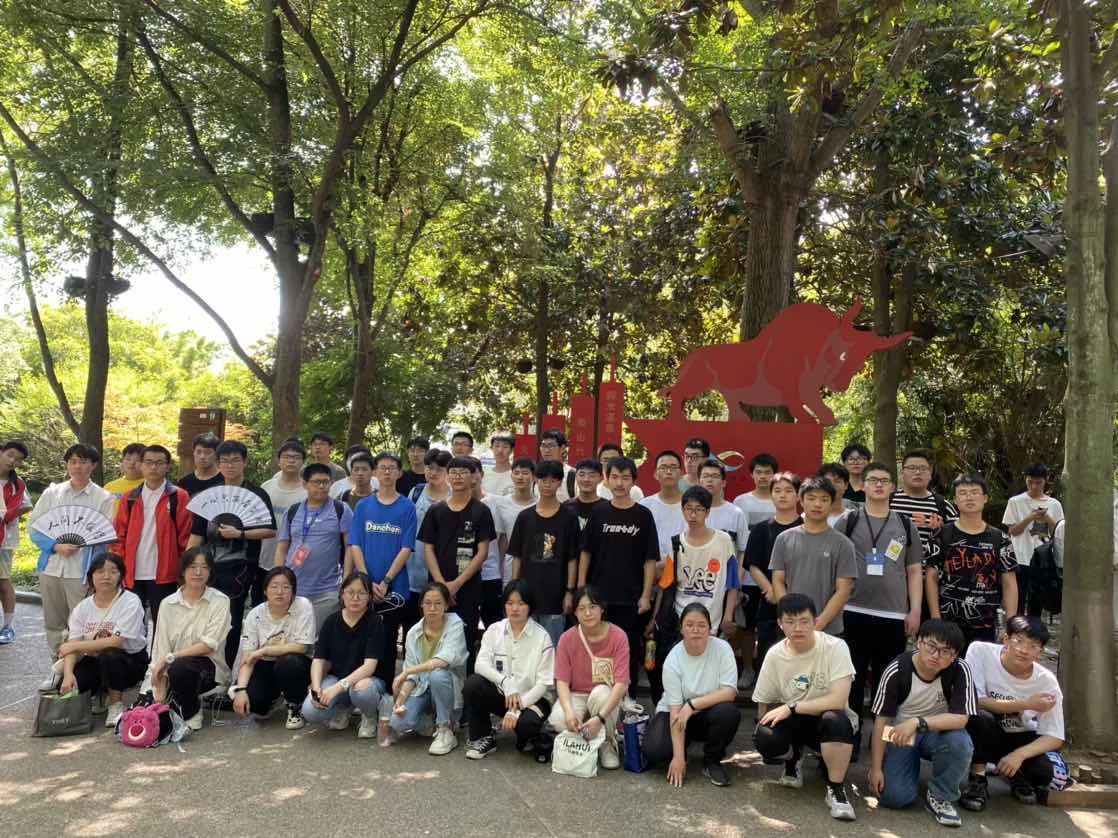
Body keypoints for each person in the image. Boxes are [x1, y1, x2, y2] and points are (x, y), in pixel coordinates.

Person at [836, 462, 923, 754]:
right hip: (852, 610)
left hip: (893, 614)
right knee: (852, 679)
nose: (878, 485)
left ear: (892, 487)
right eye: (872, 480)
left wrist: (914, 610)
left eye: (884, 480)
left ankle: (882, 745)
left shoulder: (905, 525)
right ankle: (849, 740)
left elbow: (914, 570)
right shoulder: (848, 520)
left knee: (887, 683)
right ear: (863, 485)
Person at [752, 594, 858, 821]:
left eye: (804, 621)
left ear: (815, 621)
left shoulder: (835, 647)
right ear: (780, 623)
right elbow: (764, 701)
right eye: (790, 621)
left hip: (828, 720)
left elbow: (838, 700)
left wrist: (791, 707)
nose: (797, 628)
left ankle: (836, 789)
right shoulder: (775, 654)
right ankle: (793, 758)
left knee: (835, 721)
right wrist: (765, 741)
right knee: (765, 735)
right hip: (794, 721)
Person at [869, 619, 976, 827]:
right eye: (931, 646)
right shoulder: (897, 669)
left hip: (937, 733)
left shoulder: (960, 670)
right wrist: (876, 768)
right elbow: (881, 721)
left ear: (955, 655)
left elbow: (961, 718)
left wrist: (917, 722)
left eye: (945, 651)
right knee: (895, 798)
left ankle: (941, 796)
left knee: (960, 742)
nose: (936, 656)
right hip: (900, 735)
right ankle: (895, 767)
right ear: (918, 642)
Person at [29, 443, 116, 689]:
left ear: (93, 465)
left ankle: (79, 673)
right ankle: (56, 670)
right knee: (53, 621)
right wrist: (56, 546)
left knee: (79, 623)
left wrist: (83, 543)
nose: (78, 466)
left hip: (81, 569)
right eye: (73, 461)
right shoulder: (52, 493)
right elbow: (34, 527)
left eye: (84, 461)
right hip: (51, 566)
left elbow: (105, 534)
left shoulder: (103, 498)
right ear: (67, 464)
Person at [187, 440, 277, 667]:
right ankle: (203, 666)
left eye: (235, 460)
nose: (230, 465)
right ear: (218, 464)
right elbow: (197, 534)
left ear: (244, 462)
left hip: (241, 566)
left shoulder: (257, 493)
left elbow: (270, 530)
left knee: (231, 616)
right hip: (208, 565)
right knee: (203, 613)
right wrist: (187, 564)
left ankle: (225, 669)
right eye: (225, 461)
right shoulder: (210, 495)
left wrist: (240, 534)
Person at [961, 616, 1066, 810]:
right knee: (979, 717)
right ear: (1006, 639)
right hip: (985, 730)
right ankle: (978, 778)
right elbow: (975, 701)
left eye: (1033, 646)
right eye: (1018, 641)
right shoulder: (980, 651)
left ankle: (1014, 773)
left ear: (1041, 652)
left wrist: (1019, 755)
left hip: (1018, 736)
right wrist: (1026, 703)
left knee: (1043, 773)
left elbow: (1055, 736)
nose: (1023, 650)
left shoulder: (1047, 681)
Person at [578, 456, 659, 706]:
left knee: (628, 650)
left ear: (633, 481)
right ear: (607, 479)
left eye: (625, 477)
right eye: (614, 477)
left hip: (630, 598)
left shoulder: (643, 515)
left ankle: (628, 699)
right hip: (599, 598)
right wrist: (581, 590)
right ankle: (597, 698)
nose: (620, 483)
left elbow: (650, 559)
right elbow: (585, 553)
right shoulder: (598, 512)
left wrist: (645, 595)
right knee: (597, 648)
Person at [648, 486, 738, 704]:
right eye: (688, 509)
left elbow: (733, 582)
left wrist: (728, 616)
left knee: (708, 672)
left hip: (712, 619)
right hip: (680, 619)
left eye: (698, 509)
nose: (693, 514)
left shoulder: (724, 541)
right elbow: (666, 585)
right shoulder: (676, 543)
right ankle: (669, 710)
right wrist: (655, 619)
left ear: (708, 512)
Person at [642, 603, 741, 787]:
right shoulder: (673, 659)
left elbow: (729, 692)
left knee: (729, 712)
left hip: (707, 712)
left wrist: (692, 705)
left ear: (710, 628)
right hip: (677, 713)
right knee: (655, 751)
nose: (695, 630)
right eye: (689, 625)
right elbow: (675, 711)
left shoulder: (723, 648)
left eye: (702, 625)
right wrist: (679, 758)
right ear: (681, 629)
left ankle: (712, 760)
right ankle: (683, 746)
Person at [462, 579, 555, 760]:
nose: (515, 608)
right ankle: (483, 737)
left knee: (527, 726)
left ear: (530, 606)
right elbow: (480, 665)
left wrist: (517, 708)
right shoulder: (494, 630)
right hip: (504, 695)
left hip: (533, 698)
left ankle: (529, 734)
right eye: (510, 603)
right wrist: (505, 682)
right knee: (473, 685)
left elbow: (543, 684)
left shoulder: (542, 637)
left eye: (521, 603)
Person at [419, 457, 496, 671]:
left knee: (465, 638)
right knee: (434, 636)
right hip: (437, 588)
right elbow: (428, 548)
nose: (458, 476)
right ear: (447, 476)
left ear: (473, 477)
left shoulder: (481, 511)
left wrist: (457, 584)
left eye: (463, 472)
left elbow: (482, 552)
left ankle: (463, 687)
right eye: (453, 472)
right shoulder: (436, 511)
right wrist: (442, 586)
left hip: (468, 588)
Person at [144, 546, 233, 730]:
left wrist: (171, 657)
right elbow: (161, 647)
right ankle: (177, 700)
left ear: (210, 571)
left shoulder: (220, 601)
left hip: (208, 669)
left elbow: (209, 645)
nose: (198, 572)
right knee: (149, 707)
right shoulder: (168, 604)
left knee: (182, 666)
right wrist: (157, 682)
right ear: (183, 570)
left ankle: (192, 710)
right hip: (171, 669)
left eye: (204, 567)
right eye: (192, 567)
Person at [926, 474, 1018, 648]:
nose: (969, 497)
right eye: (963, 493)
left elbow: (1009, 583)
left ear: (985, 498)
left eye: (975, 492)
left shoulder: (1000, 539)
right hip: (948, 621)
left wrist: (1010, 624)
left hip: (986, 623)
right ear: (955, 500)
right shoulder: (941, 535)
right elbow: (931, 577)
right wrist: (935, 618)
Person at [58, 554, 148, 728]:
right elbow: (71, 648)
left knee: (110, 654)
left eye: (113, 571)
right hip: (93, 658)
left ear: (121, 576)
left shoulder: (130, 601)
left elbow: (116, 641)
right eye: (100, 571)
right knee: (73, 684)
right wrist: (68, 675)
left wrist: (74, 645)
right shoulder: (82, 607)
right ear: (91, 576)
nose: (106, 576)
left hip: (129, 661)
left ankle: (115, 704)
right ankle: (99, 695)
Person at [348, 452, 416, 681]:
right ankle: (358, 689)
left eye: (391, 468)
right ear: (375, 472)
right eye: (382, 467)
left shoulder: (407, 507)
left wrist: (386, 581)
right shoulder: (363, 506)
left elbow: (406, 548)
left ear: (399, 473)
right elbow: (355, 544)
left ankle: (386, 690)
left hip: (394, 587)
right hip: (363, 586)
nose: (387, 472)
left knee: (388, 639)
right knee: (360, 638)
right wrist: (366, 581)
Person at [111, 444, 192, 628]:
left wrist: (182, 569)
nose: (153, 467)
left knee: (163, 624)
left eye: (159, 462)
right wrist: (120, 565)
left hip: (165, 573)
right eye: (148, 462)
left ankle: (158, 650)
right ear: (141, 465)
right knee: (131, 624)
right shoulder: (129, 498)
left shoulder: (178, 496)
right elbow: (119, 535)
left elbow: (185, 537)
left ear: (167, 466)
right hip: (132, 572)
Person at [548, 586, 629, 770]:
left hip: (605, 696)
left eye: (593, 607)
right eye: (581, 608)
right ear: (575, 612)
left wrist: (599, 718)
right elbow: (562, 681)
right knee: (559, 719)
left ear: (602, 609)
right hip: (577, 694)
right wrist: (569, 712)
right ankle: (583, 741)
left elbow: (621, 683)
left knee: (602, 694)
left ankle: (607, 742)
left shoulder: (618, 636)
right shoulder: (567, 639)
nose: (587, 613)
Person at [300, 572, 388, 738]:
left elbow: (369, 667)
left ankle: (369, 716)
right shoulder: (331, 621)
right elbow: (319, 659)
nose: (355, 598)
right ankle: (343, 708)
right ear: (342, 594)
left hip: (368, 681)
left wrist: (336, 689)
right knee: (311, 712)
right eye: (350, 592)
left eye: (361, 593)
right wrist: (316, 687)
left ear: (369, 597)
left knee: (362, 690)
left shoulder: (375, 622)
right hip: (337, 679)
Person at [770, 476, 858, 636]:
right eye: (811, 498)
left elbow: (843, 590)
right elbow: (778, 580)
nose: (817, 504)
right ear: (801, 501)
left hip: (829, 631)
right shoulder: (784, 539)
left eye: (824, 499)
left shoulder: (844, 544)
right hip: (792, 629)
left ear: (831, 503)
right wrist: (790, 618)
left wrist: (817, 624)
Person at [390, 582, 469, 755]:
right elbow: (412, 676)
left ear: (446, 605)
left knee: (437, 675)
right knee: (398, 722)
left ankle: (445, 728)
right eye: (428, 603)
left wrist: (408, 671)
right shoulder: (413, 633)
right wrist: (401, 698)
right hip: (422, 686)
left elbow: (444, 659)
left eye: (438, 603)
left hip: (447, 684)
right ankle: (432, 722)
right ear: (421, 605)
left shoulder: (455, 624)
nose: (432, 608)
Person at [275, 462, 353, 634]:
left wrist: (346, 581)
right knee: (291, 638)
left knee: (319, 640)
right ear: (305, 484)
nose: (322, 486)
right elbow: (281, 549)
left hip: (327, 590)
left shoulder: (341, 509)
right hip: (293, 588)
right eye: (317, 482)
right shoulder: (293, 511)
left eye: (326, 482)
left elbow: (350, 547)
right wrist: (277, 580)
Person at [232, 566, 314, 730]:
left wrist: (265, 650)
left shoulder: (303, 606)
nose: (279, 592)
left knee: (288, 663)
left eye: (286, 587)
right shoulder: (255, 615)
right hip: (265, 664)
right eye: (274, 586)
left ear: (293, 591)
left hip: (296, 662)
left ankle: (295, 704)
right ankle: (275, 696)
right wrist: (240, 690)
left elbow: (301, 647)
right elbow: (248, 656)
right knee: (254, 703)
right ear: (265, 590)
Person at [509, 459, 580, 646]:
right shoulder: (525, 517)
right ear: (535, 480)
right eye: (543, 480)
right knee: (524, 646)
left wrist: (569, 592)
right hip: (526, 596)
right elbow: (517, 556)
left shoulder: (569, 517)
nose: (547, 485)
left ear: (559, 483)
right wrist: (514, 588)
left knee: (551, 648)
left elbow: (573, 558)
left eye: (553, 480)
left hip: (555, 596)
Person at [744, 472, 803, 671]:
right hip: (769, 602)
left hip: (801, 601)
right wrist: (770, 590)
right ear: (771, 495)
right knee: (768, 654)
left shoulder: (806, 527)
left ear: (798, 496)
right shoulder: (761, 529)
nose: (782, 495)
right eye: (777, 491)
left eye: (788, 490)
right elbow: (752, 565)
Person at [731, 452, 779, 684]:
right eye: (758, 472)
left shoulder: (781, 499)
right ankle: (748, 669)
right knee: (747, 626)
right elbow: (738, 542)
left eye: (767, 472)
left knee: (774, 626)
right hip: (748, 575)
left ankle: (770, 674)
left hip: (776, 576)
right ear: (751, 475)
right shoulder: (741, 502)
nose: (763, 477)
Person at [1002, 464, 1064, 617]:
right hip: (1020, 558)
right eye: (1030, 482)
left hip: (1043, 560)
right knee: (1018, 602)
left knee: (1036, 604)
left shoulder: (1054, 504)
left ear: (1045, 481)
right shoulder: (1015, 502)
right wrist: (1030, 517)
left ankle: (1034, 630)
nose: (1034, 486)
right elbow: (1012, 531)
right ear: (1026, 480)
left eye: (1038, 482)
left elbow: (1059, 532)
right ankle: (1016, 628)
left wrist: (1047, 517)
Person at [403, 448, 451, 638]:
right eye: (430, 467)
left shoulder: (453, 496)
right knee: (412, 625)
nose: (433, 472)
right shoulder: (416, 492)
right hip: (413, 568)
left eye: (439, 469)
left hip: (441, 569)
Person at [259, 439, 308, 604]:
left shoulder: (308, 491)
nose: (291, 461)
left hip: (296, 562)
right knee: (263, 604)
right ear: (279, 460)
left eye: (296, 457)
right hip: (265, 557)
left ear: (303, 462)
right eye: (287, 457)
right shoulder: (266, 487)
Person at [0, 440, 32, 644]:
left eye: (18, 459)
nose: (13, 461)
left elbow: (28, 505)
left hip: (4, 541)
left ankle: (8, 625)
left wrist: (7, 515)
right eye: (10, 455)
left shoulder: (17, 484)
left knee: (3, 581)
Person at [641, 451, 686, 567]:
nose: (669, 471)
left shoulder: (691, 505)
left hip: (684, 569)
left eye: (673, 467)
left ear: (681, 473)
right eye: (663, 468)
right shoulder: (645, 506)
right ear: (655, 474)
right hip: (651, 569)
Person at [566, 458, 607, 530]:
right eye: (582, 475)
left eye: (592, 476)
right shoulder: (566, 507)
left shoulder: (607, 508)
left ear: (601, 478)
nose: (586, 479)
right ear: (576, 477)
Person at [537, 429, 576, 501]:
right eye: (543, 446)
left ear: (562, 448)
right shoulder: (535, 474)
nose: (546, 450)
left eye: (551, 446)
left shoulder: (572, 475)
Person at [482, 432, 516, 496]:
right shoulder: (483, 474)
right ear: (491, 448)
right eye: (497, 446)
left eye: (505, 447)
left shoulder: (517, 474)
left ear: (511, 450)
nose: (500, 450)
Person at [841, 443, 872, 508]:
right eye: (851, 459)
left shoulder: (874, 487)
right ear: (844, 463)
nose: (856, 462)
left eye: (860, 458)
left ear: (868, 463)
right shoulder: (838, 487)